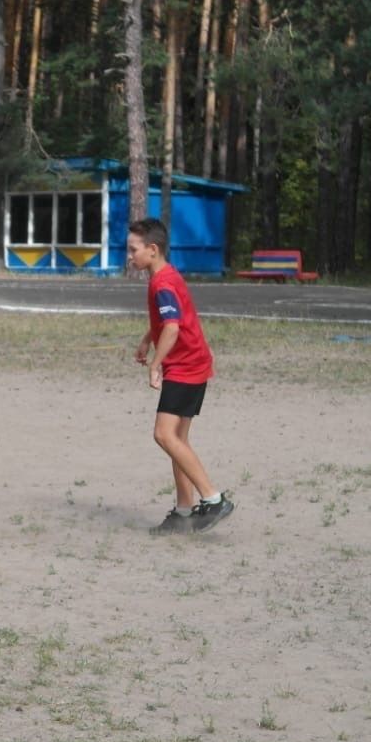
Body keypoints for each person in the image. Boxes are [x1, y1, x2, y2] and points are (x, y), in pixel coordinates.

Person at [128, 217, 234, 535]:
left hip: (185, 367)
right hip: (195, 363)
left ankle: (214, 499)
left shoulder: (161, 283)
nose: (129, 256)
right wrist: (147, 339)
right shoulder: (167, 275)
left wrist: (155, 365)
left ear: (152, 249)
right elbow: (169, 320)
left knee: (163, 435)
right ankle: (183, 512)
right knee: (178, 440)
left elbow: (172, 328)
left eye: (133, 250)